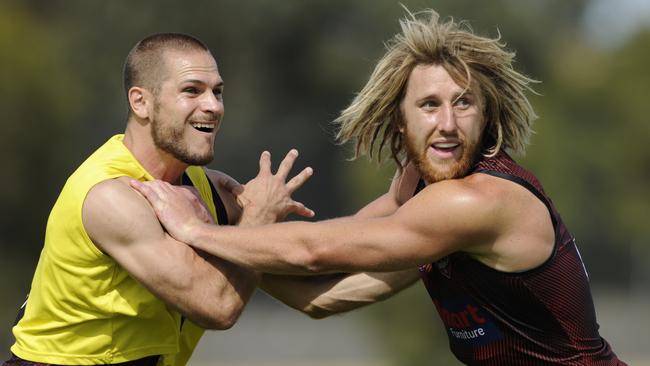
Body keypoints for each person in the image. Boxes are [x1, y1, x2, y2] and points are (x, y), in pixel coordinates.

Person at [131, 10, 627, 365]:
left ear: (488, 115)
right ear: (400, 121)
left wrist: (195, 230)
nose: (449, 123)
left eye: (465, 103)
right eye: (430, 105)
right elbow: (320, 298)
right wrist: (236, 228)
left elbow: (313, 253)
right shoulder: (415, 194)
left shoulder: (474, 202)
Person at [4, 33, 316, 366]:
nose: (213, 105)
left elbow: (319, 294)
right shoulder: (110, 197)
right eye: (192, 90)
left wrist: (382, 222)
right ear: (141, 102)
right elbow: (218, 307)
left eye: (218, 91)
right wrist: (258, 219)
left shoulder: (204, 188)